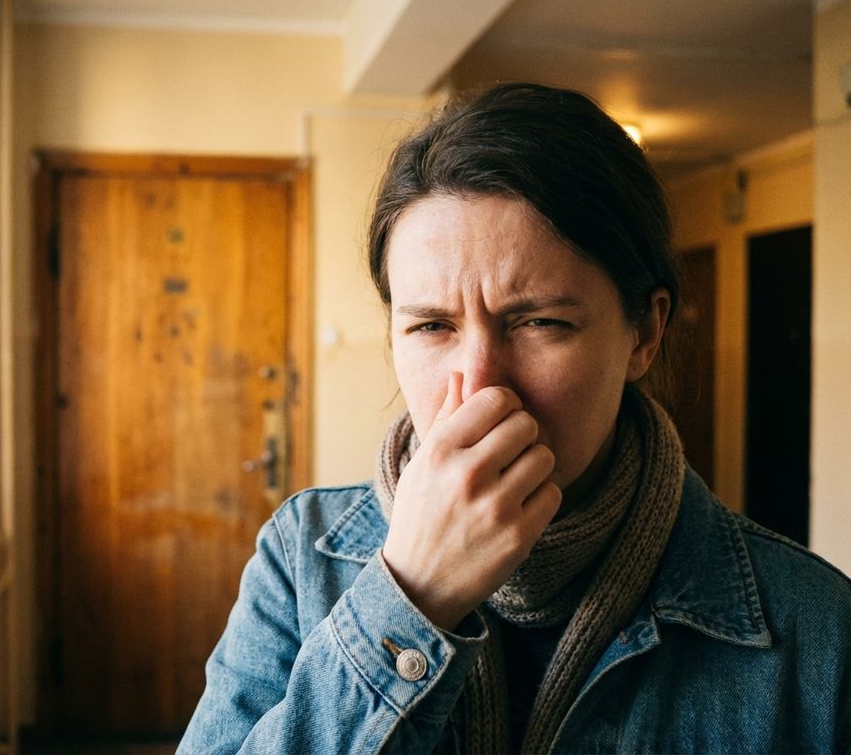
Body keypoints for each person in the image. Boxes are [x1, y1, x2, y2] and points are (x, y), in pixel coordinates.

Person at [177, 83, 851, 754]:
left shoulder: (815, 629)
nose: (478, 387)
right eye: (432, 326)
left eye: (539, 323)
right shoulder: (300, 559)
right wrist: (409, 600)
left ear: (644, 333)